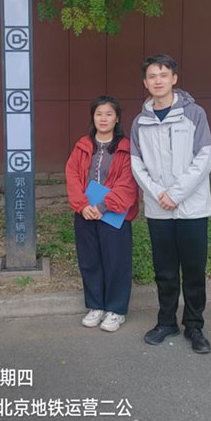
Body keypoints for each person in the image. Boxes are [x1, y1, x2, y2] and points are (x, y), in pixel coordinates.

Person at [130, 55, 211, 354]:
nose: (158, 80)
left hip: (192, 209)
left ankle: (194, 325)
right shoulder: (140, 122)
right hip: (159, 211)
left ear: (174, 79)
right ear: (145, 82)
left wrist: (175, 194)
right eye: (152, 76)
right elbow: (137, 165)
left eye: (163, 75)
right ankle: (166, 322)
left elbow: (205, 158)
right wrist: (158, 194)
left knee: (194, 270)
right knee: (164, 271)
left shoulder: (194, 114)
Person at [65, 96, 139, 332]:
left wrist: (103, 206)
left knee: (116, 262)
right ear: (93, 117)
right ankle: (96, 305)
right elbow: (72, 176)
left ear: (117, 118)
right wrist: (82, 206)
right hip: (85, 213)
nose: (103, 119)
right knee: (90, 261)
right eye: (99, 114)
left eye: (109, 114)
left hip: (114, 214)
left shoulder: (126, 148)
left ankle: (116, 310)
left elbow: (128, 183)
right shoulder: (82, 146)